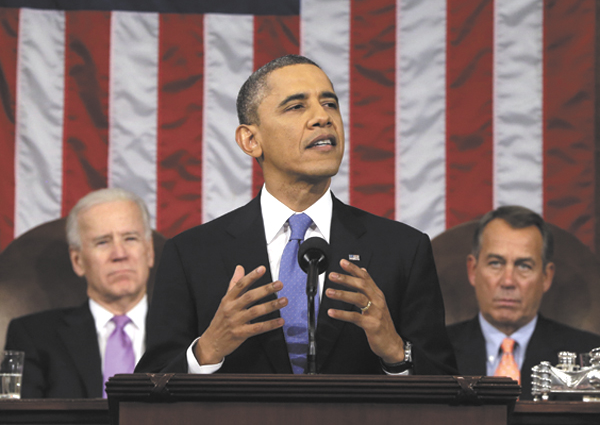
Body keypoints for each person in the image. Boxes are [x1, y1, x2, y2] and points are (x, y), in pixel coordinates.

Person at [136, 54, 456, 376]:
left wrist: (395, 351)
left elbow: (448, 390)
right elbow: (148, 390)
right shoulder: (191, 254)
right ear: (251, 140)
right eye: (296, 106)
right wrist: (207, 349)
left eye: (330, 104)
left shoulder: (403, 250)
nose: (323, 117)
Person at [4, 188, 155, 398]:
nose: (120, 254)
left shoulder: (190, 332)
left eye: (130, 238)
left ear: (149, 251)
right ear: (78, 260)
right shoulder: (33, 336)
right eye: (103, 242)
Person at [447, 206, 600, 399]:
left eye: (524, 266)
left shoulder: (588, 356)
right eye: (496, 263)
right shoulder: (437, 352)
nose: (508, 281)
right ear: (473, 270)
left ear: (546, 276)